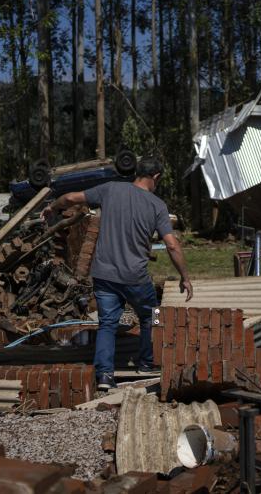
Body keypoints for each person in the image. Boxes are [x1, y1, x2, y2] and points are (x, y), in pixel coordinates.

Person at [41, 158, 192, 389]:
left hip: (104, 275)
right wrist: (185, 277)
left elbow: (71, 198)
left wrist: (52, 207)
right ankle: (147, 362)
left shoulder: (110, 189)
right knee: (154, 314)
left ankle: (104, 376)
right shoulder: (157, 205)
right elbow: (172, 245)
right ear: (156, 177)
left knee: (107, 324)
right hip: (136, 278)